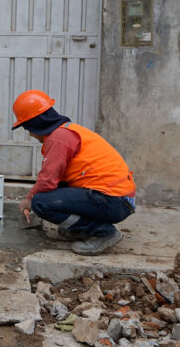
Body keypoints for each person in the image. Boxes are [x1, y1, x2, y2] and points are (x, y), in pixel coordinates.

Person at [13, 90, 136, 255]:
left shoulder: (58, 138)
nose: (29, 133)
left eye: (27, 127)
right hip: (119, 198)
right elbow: (56, 180)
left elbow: (47, 181)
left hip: (113, 201)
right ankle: (80, 229)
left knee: (41, 202)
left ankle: (103, 233)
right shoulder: (67, 131)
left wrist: (29, 199)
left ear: (35, 123)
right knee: (56, 190)